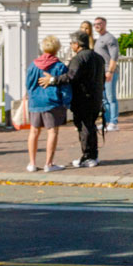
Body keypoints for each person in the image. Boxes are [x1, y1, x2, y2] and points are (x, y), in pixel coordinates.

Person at [40, 30, 106, 167]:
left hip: (83, 98)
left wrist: (52, 80)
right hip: (96, 97)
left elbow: (71, 76)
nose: (71, 45)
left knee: (84, 127)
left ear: (77, 44)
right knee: (91, 126)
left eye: (71, 43)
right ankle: (93, 155)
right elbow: (102, 78)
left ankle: (88, 156)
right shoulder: (98, 58)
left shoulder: (79, 58)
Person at [26, 35, 71, 172]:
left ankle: (32, 163)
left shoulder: (33, 65)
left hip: (35, 101)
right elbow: (65, 87)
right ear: (57, 48)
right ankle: (49, 163)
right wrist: (66, 102)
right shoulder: (59, 66)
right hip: (52, 102)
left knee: (34, 131)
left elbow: (28, 84)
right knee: (52, 131)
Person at [93, 17, 121, 131]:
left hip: (109, 72)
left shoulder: (110, 38)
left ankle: (114, 123)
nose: (97, 26)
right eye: (95, 24)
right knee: (104, 99)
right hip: (100, 73)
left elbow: (114, 56)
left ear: (104, 24)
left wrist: (110, 71)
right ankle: (106, 122)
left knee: (111, 98)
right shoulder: (99, 39)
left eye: (99, 23)